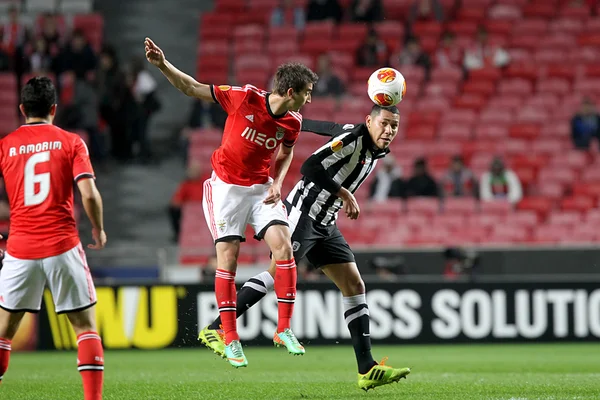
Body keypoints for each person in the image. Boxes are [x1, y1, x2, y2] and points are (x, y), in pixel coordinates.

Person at [200, 105, 411, 390]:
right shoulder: (353, 141)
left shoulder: (371, 147)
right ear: (369, 121)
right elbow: (309, 167)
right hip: (302, 213)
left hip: (326, 222)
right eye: (384, 123)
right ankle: (216, 328)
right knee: (276, 274)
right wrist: (343, 192)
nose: (388, 131)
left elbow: (328, 126)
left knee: (354, 285)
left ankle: (367, 368)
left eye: (394, 126)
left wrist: (299, 123)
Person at [145, 37, 318, 368]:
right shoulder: (244, 97)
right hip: (226, 189)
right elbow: (192, 88)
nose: (310, 98)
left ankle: (283, 329)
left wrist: (279, 182)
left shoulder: (292, 122)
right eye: (307, 92)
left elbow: (286, 150)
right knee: (229, 259)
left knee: (284, 249)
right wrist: (163, 65)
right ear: (292, 92)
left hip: (261, 189)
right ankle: (230, 336)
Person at [0, 77, 106, 399]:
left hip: (19, 249)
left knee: (3, 334)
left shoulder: (5, 145)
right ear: (54, 109)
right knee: (85, 328)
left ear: (21, 110)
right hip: (62, 244)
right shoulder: (71, 141)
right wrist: (98, 228)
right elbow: (88, 194)